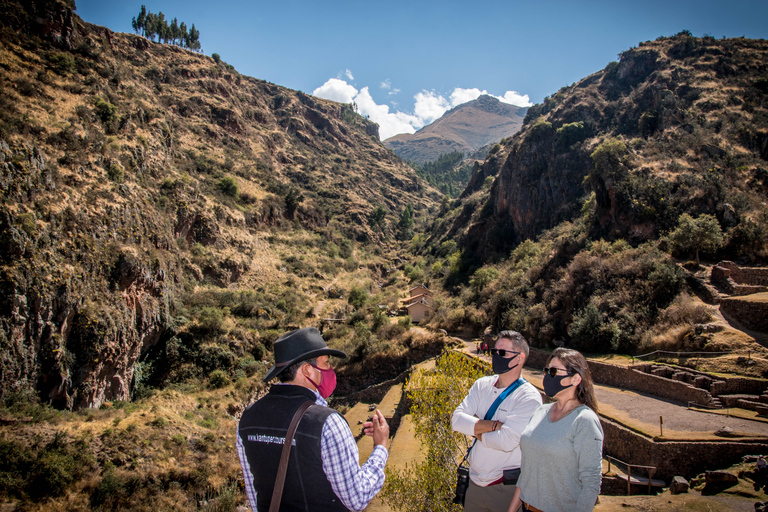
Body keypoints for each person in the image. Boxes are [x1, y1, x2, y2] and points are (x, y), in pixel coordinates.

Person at [237, 327, 390, 511]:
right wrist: (380, 447)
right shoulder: (328, 423)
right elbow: (357, 497)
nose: (330, 370)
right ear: (308, 370)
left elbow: (255, 498)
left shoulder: (248, 418)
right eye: (326, 363)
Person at [452, 331, 543, 512]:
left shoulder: (528, 397)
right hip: (475, 485)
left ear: (519, 358)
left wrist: (474, 427)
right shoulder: (482, 385)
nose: (495, 356)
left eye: (502, 353)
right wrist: (494, 426)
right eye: (494, 351)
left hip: (504, 489)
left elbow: (506, 441)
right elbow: (456, 420)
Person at [509, 348, 604, 512]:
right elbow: (527, 472)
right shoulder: (540, 412)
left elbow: (591, 483)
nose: (546, 376)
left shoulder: (584, 421)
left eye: (553, 371)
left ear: (575, 379)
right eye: (546, 370)